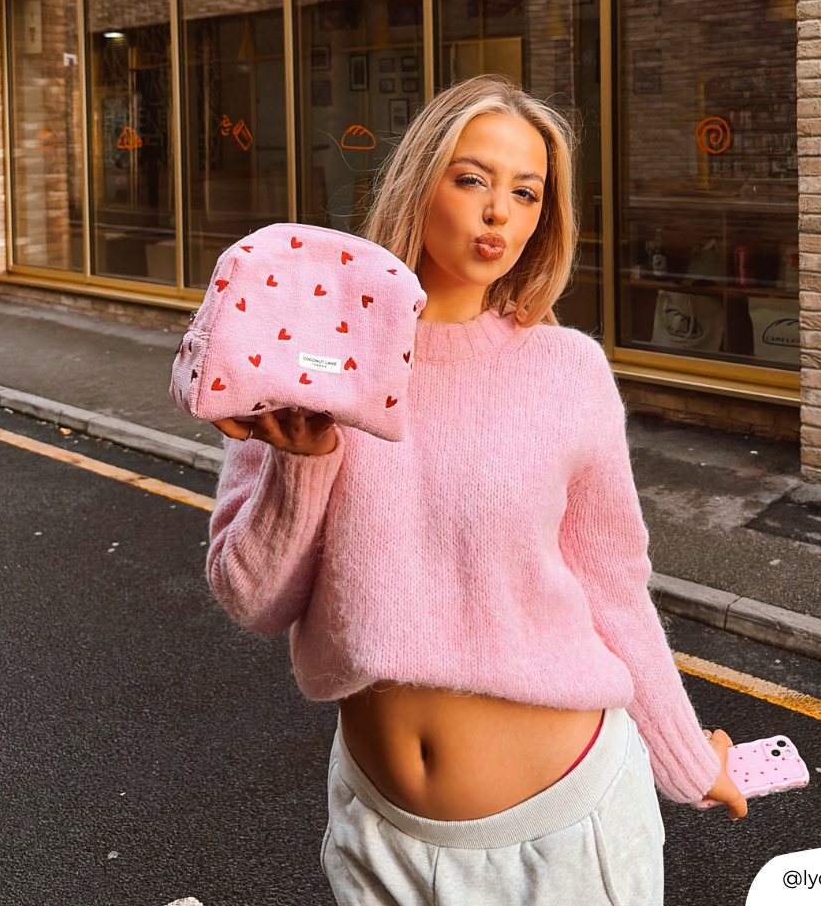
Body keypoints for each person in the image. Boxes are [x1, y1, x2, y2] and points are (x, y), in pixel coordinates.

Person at [207, 74, 746, 906]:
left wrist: (685, 758)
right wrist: (303, 461)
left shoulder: (566, 371)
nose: (501, 212)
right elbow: (253, 600)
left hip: (564, 837)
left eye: (526, 192)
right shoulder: (310, 359)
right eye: (473, 179)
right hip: (379, 833)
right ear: (420, 181)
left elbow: (614, 591)